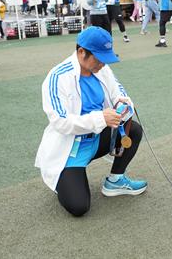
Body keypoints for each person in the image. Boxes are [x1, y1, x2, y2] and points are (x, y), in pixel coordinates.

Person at [35, 26, 147, 217]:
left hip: (97, 138)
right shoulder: (57, 77)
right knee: (79, 207)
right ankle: (64, 182)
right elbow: (60, 122)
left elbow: (118, 90)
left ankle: (115, 180)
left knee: (134, 130)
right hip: (69, 150)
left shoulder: (102, 69)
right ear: (81, 52)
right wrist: (100, 118)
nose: (103, 63)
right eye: (99, 58)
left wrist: (122, 103)